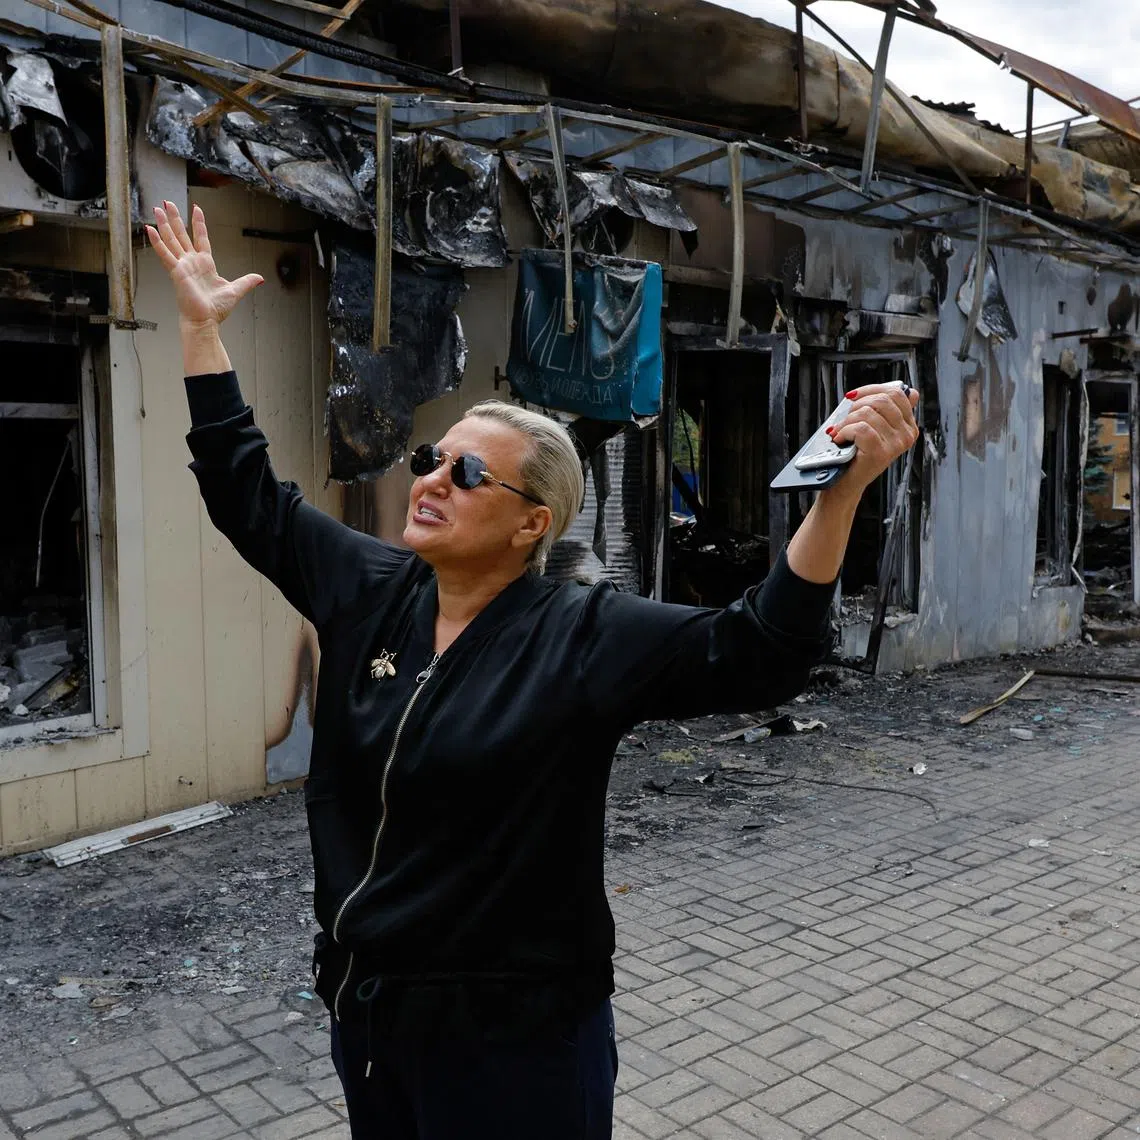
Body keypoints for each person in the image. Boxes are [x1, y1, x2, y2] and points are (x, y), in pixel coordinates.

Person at [147, 200, 919, 1140]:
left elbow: (759, 650)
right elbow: (247, 494)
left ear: (532, 525)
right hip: (373, 1016)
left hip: (518, 1044)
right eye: (433, 458)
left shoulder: (581, 634)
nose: (431, 479)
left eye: (468, 475)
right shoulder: (370, 590)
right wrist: (201, 331)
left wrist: (839, 494)